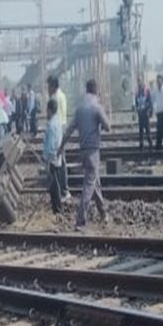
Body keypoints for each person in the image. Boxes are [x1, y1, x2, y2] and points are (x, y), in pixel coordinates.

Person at [61, 78, 111, 230]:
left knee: (94, 182)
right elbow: (108, 126)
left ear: (86, 90)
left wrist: (60, 147)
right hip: (93, 151)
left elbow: (69, 130)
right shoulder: (96, 107)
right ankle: (80, 221)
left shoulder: (79, 108)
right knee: (89, 186)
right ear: (96, 90)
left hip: (83, 151)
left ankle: (104, 213)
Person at [42, 98, 66, 214]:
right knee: (55, 183)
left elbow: (50, 146)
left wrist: (46, 160)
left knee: (54, 185)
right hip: (57, 157)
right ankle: (56, 208)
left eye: (47, 110)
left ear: (50, 110)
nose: (46, 112)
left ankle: (57, 209)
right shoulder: (58, 122)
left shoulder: (51, 125)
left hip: (52, 158)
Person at [135, 78, 153, 152]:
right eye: (138, 82)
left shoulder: (147, 91)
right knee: (141, 131)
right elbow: (136, 102)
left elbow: (150, 102)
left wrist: (149, 111)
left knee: (147, 131)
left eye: (140, 82)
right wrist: (137, 108)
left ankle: (150, 144)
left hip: (145, 113)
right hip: (140, 114)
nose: (139, 84)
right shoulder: (137, 92)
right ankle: (141, 145)